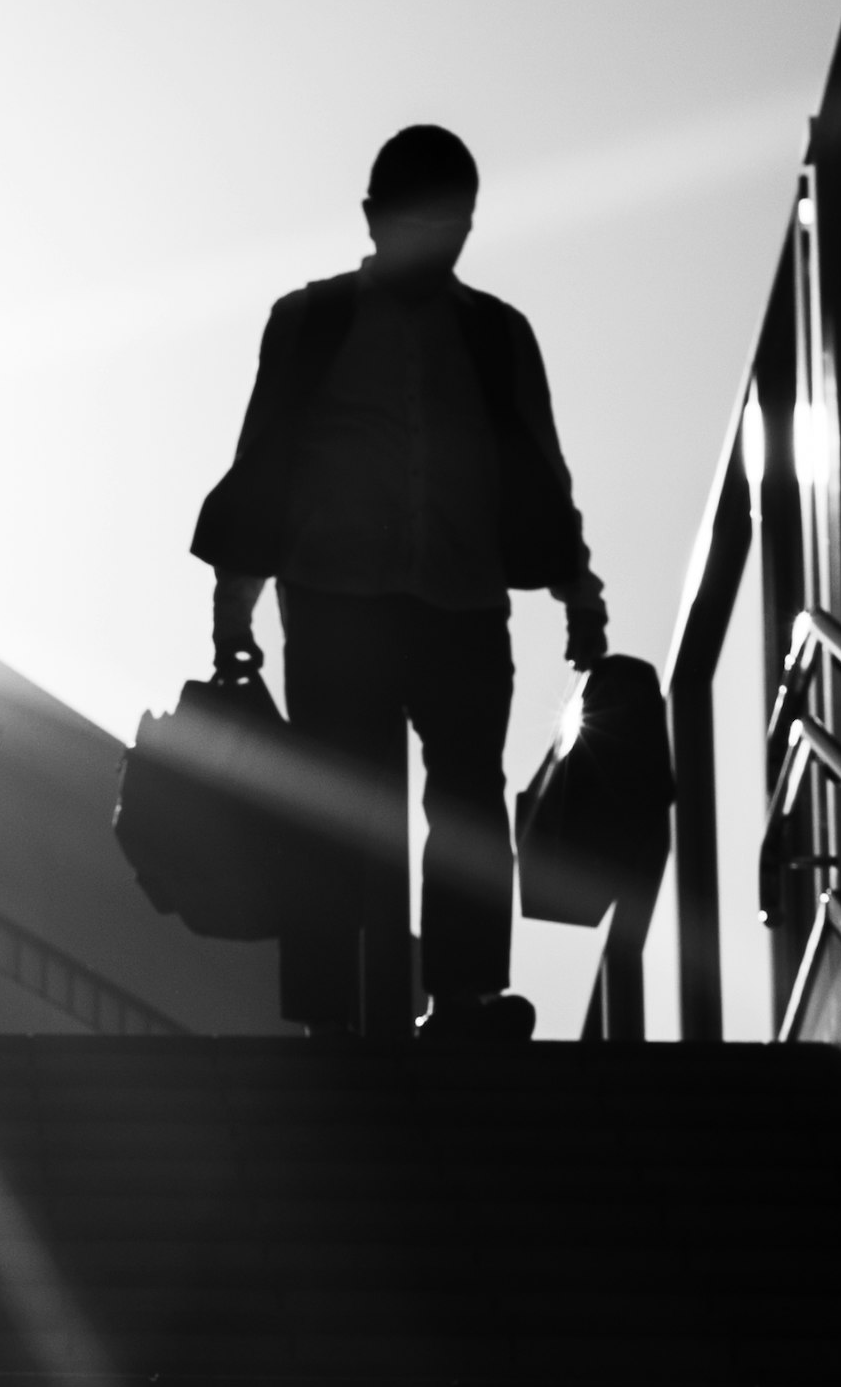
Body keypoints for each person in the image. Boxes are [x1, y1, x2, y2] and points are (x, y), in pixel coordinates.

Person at [192, 122, 607, 1039]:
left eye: (455, 223)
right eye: (429, 220)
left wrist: (581, 593)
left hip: (457, 602)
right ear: (376, 219)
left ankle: (460, 998)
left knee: (463, 800)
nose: (442, 238)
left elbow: (541, 472)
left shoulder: (498, 335)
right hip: (339, 599)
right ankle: (333, 1012)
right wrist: (235, 605)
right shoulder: (309, 320)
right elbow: (267, 464)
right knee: (343, 805)